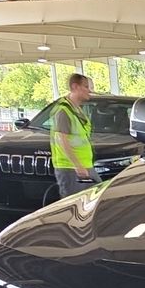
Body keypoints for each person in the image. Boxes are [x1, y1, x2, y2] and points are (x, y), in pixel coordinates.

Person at [51, 72, 95, 200]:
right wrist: (77, 165)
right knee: (74, 204)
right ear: (75, 87)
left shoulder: (76, 109)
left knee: (90, 199)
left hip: (83, 166)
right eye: (86, 87)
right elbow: (62, 140)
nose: (90, 90)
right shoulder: (64, 111)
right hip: (71, 168)